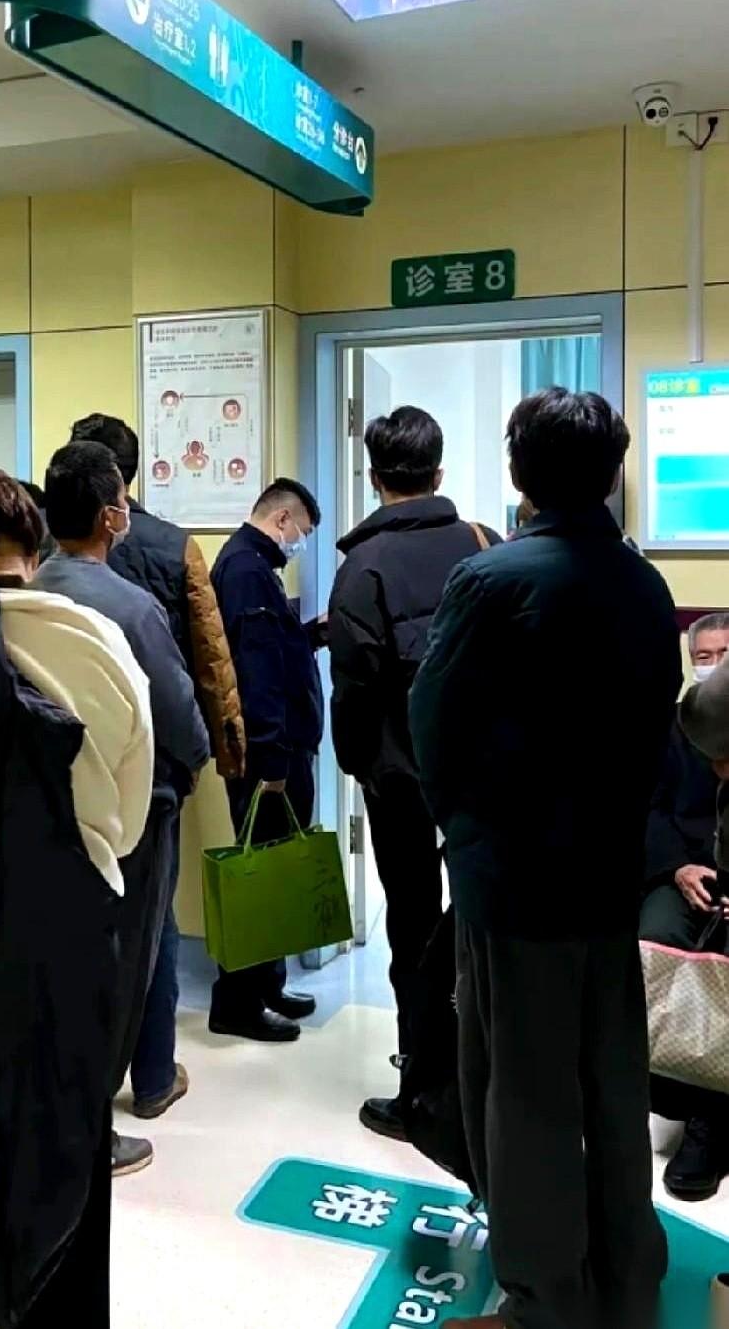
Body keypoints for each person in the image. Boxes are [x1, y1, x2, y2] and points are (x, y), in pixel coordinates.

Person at [411, 388, 681, 1329]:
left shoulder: (490, 580)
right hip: (607, 876)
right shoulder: (643, 585)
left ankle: (541, 1299)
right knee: (611, 1077)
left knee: (521, 1090)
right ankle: (626, 1268)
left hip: (514, 880)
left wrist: (466, 831)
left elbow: (434, 725)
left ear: (518, 469)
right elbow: (657, 729)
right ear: (612, 471)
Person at [0, 460, 153, 1327]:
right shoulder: (97, 642)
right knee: (55, 1242)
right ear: (34, 554)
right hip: (51, 988)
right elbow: (124, 828)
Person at [328, 406, 501, 1140]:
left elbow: (353, 685)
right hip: (484, 773)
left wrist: (358, 763)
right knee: (483, 920)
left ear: (374, 477)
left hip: (398, 775)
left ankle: (420, 1087)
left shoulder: (362, 567)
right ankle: (489, 1076)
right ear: (439, 472)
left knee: (412, 923)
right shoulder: (483, 544)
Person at [37, 441, 210, 1172]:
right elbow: (175, 707)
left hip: (52, 803)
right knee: (141, 940)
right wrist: (196, 761)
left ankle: (83, 1088)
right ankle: (140, 1088)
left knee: (66, 950)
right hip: (137, 804)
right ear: (112, 517)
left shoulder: (26, 593)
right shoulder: (132, 607)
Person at [69, 414, 245, 783]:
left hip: (65, 743)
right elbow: (211, 654)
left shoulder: (40, 541)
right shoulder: (175, 545)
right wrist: (225, 749)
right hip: (155, 750)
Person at [210, 478, 324, 1042]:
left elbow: (272, 648)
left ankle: (268, 986)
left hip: (276, 749)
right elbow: (256, 672)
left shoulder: (253, 566)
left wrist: (310, 636)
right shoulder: (246, 570)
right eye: (302, 530)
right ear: (282, 520)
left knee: (274, 875)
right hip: (267, 757)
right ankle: (237, 1002)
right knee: (256, 880)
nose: (300, 541)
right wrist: (273, 758)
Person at [657, 617, 729, 1200]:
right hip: (680, 869)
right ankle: (675, 1097)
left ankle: (713, 1121)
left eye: (723, 654)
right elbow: (646, 809)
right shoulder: (673, 727)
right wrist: (678, 868)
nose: (713, 665)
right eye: (703, 656)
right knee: (653, 940)